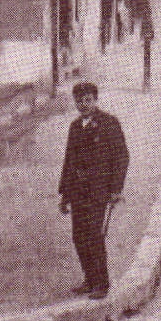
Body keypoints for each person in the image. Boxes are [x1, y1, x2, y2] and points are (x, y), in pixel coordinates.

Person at [58, 82, 129, 299]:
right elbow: (69, 160)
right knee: (79, 236)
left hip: (99, 191)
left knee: (95, 236)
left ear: (95, 100)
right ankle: (89, 279)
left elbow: (122, 157)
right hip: (78, 191)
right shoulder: (75, 127)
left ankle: (102, 283)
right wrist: (65, 194)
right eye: (79, 100)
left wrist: (116, 189)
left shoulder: (109, 123)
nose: (84, 104)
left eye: (88, 100)